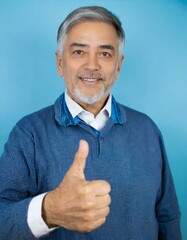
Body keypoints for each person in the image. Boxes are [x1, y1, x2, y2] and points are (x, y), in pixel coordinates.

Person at [0, 6, 182, 240]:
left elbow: (167, 217)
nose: (92, 65)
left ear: (118, 65)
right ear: (59, 63)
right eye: (78, 52)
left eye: (105, 53)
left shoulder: (148, 130)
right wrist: (49, 210)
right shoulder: (29, 133)